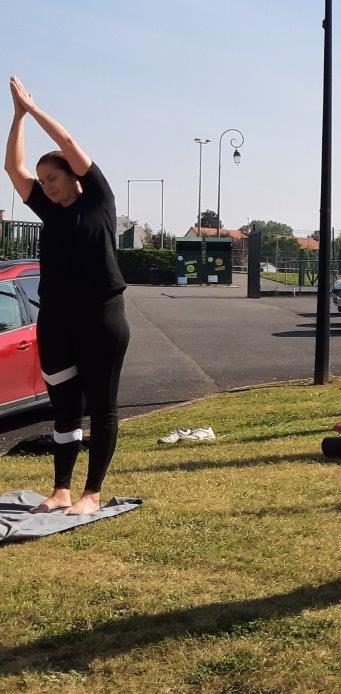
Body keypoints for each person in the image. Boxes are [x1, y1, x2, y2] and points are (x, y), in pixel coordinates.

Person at [5, 75, 130, 515]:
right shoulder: (48, 210)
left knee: (102, 406)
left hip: (101, 316)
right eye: (42, 180)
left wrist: (34, 110)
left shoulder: (98, 198)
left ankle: (91, 493)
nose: (46, 185)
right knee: (64, 406)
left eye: (52, 177)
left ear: (73, 176)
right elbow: (12, 170)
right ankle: (60, 489)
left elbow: (70, 140)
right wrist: (16, 118)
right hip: (56, 319)